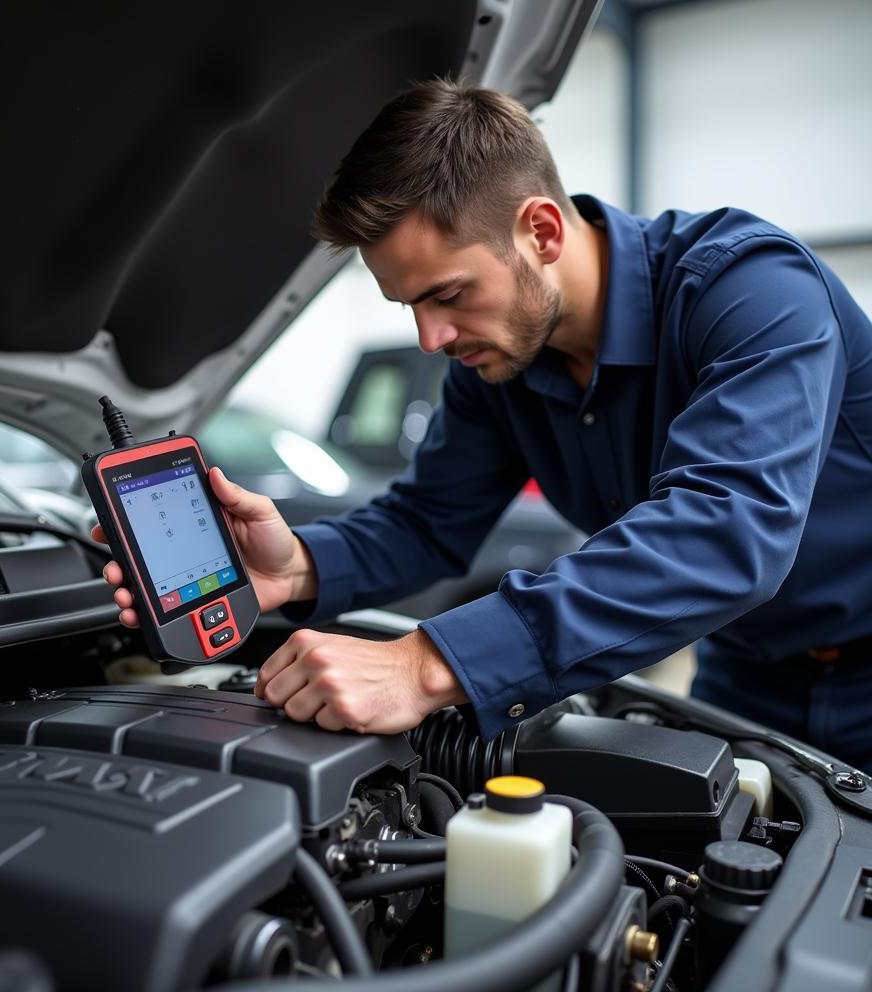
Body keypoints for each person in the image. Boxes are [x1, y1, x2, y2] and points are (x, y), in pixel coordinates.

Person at [96, 79, 872, 770]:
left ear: (541, 231)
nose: (432, 339)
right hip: (745, 667)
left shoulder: (751, 289)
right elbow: (430, 522)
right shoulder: (497, 363)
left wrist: (425, 663)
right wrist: (295, 566)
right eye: (410, 307)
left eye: (449, 294)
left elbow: (726, 529)